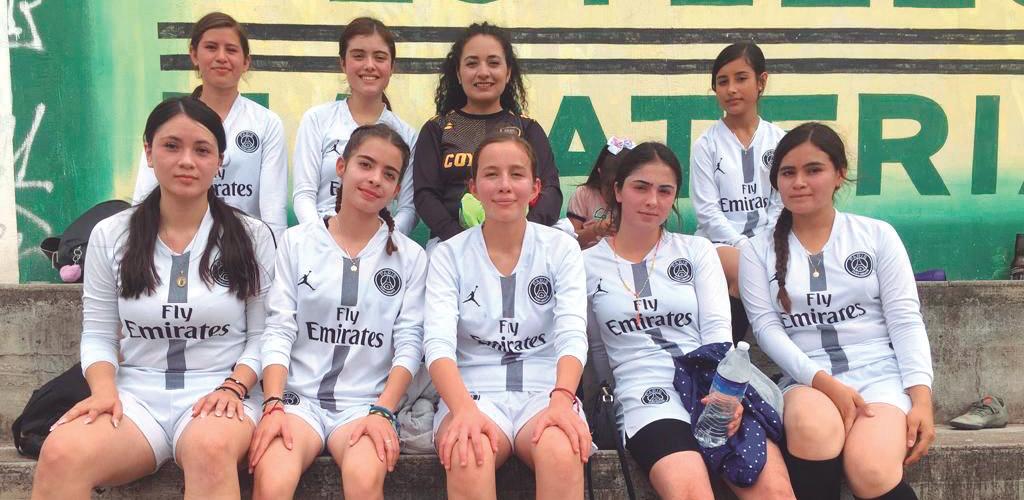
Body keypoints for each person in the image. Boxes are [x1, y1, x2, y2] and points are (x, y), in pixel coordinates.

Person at [32, 96, 276, 499]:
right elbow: (98, 334)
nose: (186, 161)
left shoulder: (251, 236)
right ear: (149, 152)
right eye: (171, 146)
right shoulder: (111, 234)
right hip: (135, 397)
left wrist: (235, 386)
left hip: (221, 393)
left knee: (209, 448)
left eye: (202, 150)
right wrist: (104, 391)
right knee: (60, 453)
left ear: (219, 161)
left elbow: (264, 335)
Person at [585, 142, 794, 500]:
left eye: (664, 191)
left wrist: (728, 399)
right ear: (618, 190)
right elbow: (596, 352)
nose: (652, 200)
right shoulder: (586, 264)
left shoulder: (696, 251)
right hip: (644, 394)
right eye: (640, 187)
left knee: (775, 494)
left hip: (711, 386)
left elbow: (717, 335)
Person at [740, 122, 935, 500]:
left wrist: (922, 399)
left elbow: (905, 320)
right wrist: (826, 384)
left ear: (839, 174)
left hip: (880, 376)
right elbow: (766, 330)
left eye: (813, 170)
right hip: (807, 378)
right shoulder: (756, 249)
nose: (799, 182)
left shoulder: (876, 235)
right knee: (813, 428)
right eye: (788, 172)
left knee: (871, 470)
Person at [247, 124, 425, 499]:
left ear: (396, 189)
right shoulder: (297, 242)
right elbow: (279, 328)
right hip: (296, 402)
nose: (375, 179)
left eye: (389, 174)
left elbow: (410, 343)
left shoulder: (411, 256)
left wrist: (383, 411)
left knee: (364, 477)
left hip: (366, 406)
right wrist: (273, 403)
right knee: (273, 480)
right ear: (341, 167)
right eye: (366, 164)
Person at [424, 134, 590, 499]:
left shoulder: (561, 248)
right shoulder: (448, 255)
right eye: (491, 174)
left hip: (546, 391)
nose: (504, 185)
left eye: (516, 174)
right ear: (473, 187)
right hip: (473, 393)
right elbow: (437, 344)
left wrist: (562, 399)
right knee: (468, 452)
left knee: (562, 450)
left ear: (535, 187)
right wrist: (463, 410)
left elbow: (572, 333)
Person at [133, 12, 287, 239]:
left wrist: (273, 252)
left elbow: (273, 209)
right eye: (211, 47)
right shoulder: (169, 120)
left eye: (231, 50)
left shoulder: (266, 123)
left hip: (244, 245)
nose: (221, 57)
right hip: (176, 242)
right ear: (194, 54)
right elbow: (144, 196)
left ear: (246, 62)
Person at [414, 22, 562, 250]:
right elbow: (425, 195)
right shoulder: (437, 128)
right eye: (472, 63)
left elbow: (551, 192)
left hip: (522, 246)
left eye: (493, 63)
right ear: (458, 73)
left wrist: (520, 236)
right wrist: (463, 241)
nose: (483, 72)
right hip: (452, 246)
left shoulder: (527, 128)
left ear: (508, 72)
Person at [690, 42, 786, 342]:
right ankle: (727, 352)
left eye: (741, 78)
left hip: (771, 241)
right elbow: (707, 213)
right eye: (722, 82)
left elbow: (781, 203)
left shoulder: (780, 140)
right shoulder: (706, 144)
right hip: (719, 244)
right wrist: (744, 245)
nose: (731, 89)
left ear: (761, 81)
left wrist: (765, 242)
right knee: (744, 269)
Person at [292, 17, 419, 235]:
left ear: (392, 67)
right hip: (321, 238)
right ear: (343, 63)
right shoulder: (317, 120)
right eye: (358, 56)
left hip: (379, 243)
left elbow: (408, 209)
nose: (369, 65)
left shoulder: (407, 135)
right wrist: (323, 238)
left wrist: (381, 242)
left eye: (379, 57)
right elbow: (304, 195)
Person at [566, 137, 633, 249]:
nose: (614, 194)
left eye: (620, 188)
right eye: (608, 187)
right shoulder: (584, 194)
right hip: (587, 255)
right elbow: (568, 241)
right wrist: (595, 230)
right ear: (599, 172)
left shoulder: (636, 198)